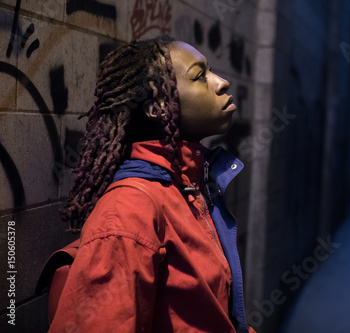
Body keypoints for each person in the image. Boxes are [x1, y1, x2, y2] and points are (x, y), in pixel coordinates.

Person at [49, 35, 254, 333]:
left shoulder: (190, 188)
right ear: (157, 108)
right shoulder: (130, 209)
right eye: (199, 76)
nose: (222, 82)